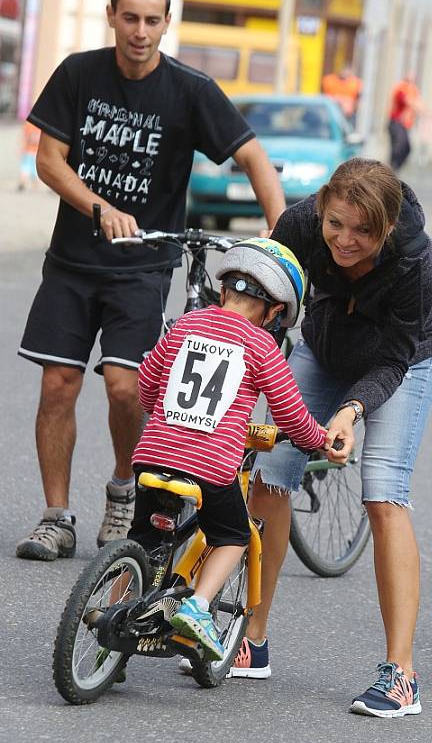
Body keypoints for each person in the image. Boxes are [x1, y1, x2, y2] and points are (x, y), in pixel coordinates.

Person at [16, 0, 286, 562]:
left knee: (124, 388)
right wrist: (100, 206)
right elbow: (48, 160)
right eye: (130, 17)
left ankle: (122, 487)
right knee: (58, 383)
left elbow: (253, 156)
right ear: (112, 16)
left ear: (168, 22)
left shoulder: (190, 90)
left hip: (142, 267)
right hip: (72, 262)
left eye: (152, 20)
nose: (140, 31)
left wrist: (278, 235)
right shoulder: (79, 73)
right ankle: (55, 516)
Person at [227, 158, 432, 718]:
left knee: (383, 492)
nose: (345, 241)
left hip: (404, 361)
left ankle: (402, 675)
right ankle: (252, 641)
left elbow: (397, 355)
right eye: (336, 225)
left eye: (363, 232)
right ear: (322, 209)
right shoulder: (301, 224)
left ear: (387, 228)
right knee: (271, 477)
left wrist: (350, 410)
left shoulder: (412, 259)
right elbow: (268, 303)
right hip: (325, 345)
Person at [128, 238, 331, 660]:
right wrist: (317, 442)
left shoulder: (185, 326)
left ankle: (114, 610)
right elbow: (291, 414)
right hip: (210, 467)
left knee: (143, 542)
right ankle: (199, 607)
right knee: (234, 535)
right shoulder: (263, 347)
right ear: (275, 313)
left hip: (152, 454)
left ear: (222, 291)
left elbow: (147, 382)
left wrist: (157, 411)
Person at [388, 73, 423, 171]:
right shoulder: (401, 88)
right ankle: (392, 168)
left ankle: (395, 168)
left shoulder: (412, 89)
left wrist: (427, 112)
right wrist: (421, 110)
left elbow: (418, 102)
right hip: (396, 122)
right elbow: (408, 101)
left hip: (404, 124)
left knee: (406, 148)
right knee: (398, 146)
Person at [17, 121, 41, 192]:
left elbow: (23, 137)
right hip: (36, 152)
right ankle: (35, 186)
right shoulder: (40, 125)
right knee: (35, 170)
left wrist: (20, 148)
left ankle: (22, 183)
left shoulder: (28, 124)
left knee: (25, 168)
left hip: (27, 151)